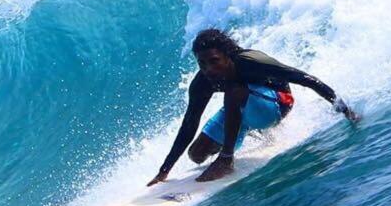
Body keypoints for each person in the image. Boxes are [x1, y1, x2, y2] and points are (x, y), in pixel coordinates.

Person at [148, 28, 359, 185]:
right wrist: (164, 169)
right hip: (241, 109)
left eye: (214, 61)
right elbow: (189, 124)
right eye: (202, 63)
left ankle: (226, 160)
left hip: (277, 103)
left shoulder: (251, 62)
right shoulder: (202, 82)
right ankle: (247, 133)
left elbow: (306, 79)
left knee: (234, 90)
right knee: (197, 154)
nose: (208, 69)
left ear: (228, 55)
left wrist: (346, 111)